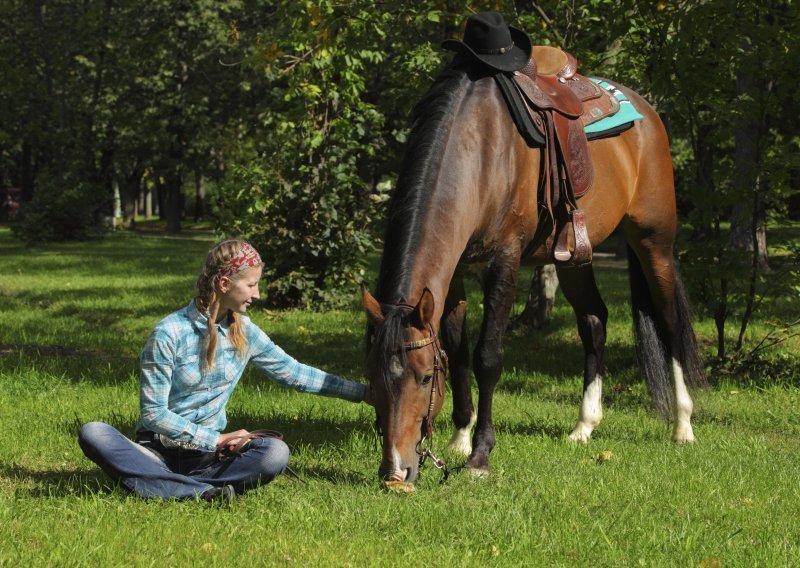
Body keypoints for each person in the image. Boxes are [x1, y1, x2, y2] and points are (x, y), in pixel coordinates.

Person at [78, 239, 372, 502]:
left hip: (208, 460)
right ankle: (201, 490)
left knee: (274, 454)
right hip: (155, 453)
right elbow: (152, 414)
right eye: (251, 284)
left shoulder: (246, 332)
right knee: (94, 434)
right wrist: (215, 439)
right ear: (224, 284)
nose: (257, 294)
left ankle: (170, 488)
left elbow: (295, 373)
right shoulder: (168, 333)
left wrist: (366, 394)